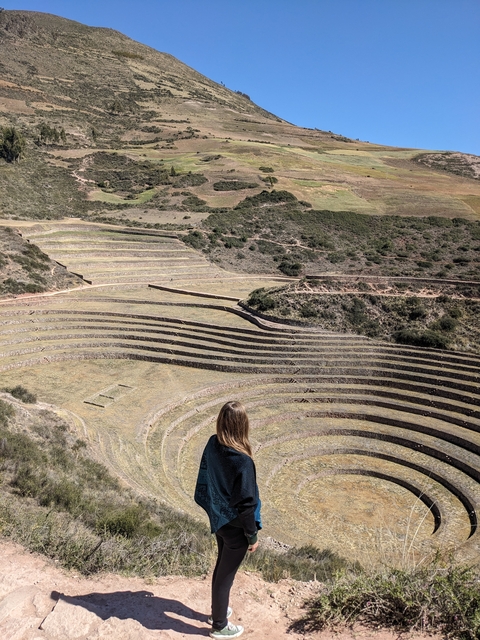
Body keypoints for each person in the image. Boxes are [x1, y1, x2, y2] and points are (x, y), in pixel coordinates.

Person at [194, 401, 262, 639]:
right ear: (243, 425)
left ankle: (217, 613)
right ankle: (220, 625)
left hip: (219, 518)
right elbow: (246, 504)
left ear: (221, 422)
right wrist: (252, 535)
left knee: (221, 567)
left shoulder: (213, 443)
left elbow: (206, 474)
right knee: (226, 574)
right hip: (235, 527)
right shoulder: (243, 461)